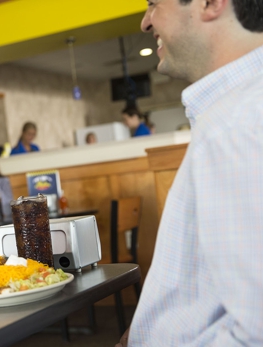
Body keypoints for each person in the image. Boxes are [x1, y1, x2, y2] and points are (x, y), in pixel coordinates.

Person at [117, 0, 263, 346]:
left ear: (210, 3)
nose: (145, 22)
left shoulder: (234, 126)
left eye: (153, 4)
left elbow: (254, 329)